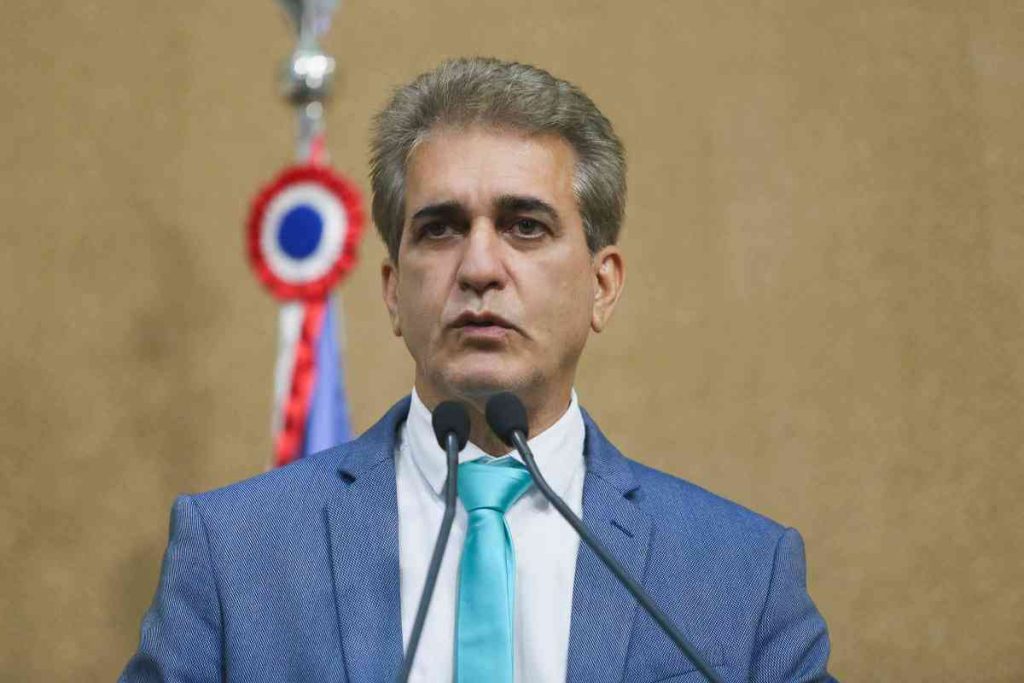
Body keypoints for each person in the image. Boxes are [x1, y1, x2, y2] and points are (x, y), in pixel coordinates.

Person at [121, 57, 834, 682]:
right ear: (393, 292)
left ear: (602, 285)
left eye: (526, 226)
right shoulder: (236, 554)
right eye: (441, 229)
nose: (480, 267)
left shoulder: (739, 575)